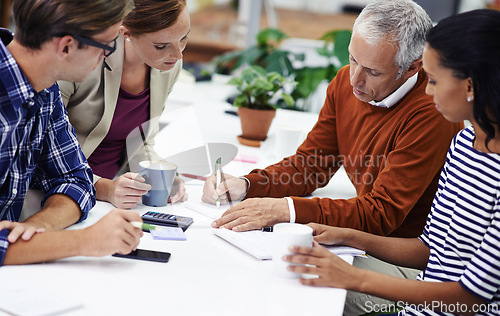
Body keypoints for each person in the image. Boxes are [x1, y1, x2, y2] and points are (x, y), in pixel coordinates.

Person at [284, 9, 500, 316]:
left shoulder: (435, 122)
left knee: (304, 292)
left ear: (471, 86)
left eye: (434, 80)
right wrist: (346, 236)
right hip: (421, 304)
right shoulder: (464, 146)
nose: (427, 89)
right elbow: (430, 249)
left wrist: (354, 277)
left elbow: (471, 301)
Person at [0, 0, 143, 265]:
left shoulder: (44, 87)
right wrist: (85, 241)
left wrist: (34, 231)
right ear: (66, 46)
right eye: (107, 46)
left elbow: (76, 178)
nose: (108, 57)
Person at [58, 0, 190, 209]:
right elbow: (44, 149)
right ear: (125, 33)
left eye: (183, 38)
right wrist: (103, 187)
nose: (178, 54)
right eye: (161, 45)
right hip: (65, 191)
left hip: (118, 194)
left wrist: (159, 174)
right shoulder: (82, 58)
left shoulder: (168, 65)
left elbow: (140, 141)